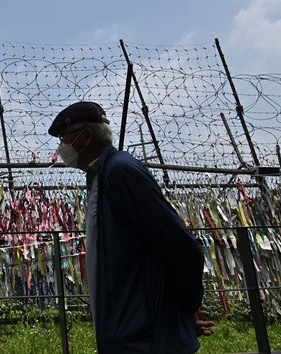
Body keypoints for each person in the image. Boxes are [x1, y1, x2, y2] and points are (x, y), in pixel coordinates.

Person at [49, 101, 214, 353]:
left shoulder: (120, 172)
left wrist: (187, 308)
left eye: (64, 137)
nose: (61, 146)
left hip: (147, 340)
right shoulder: (99, 177)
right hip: (130, 337)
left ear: (86, 137)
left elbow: (181, 246)